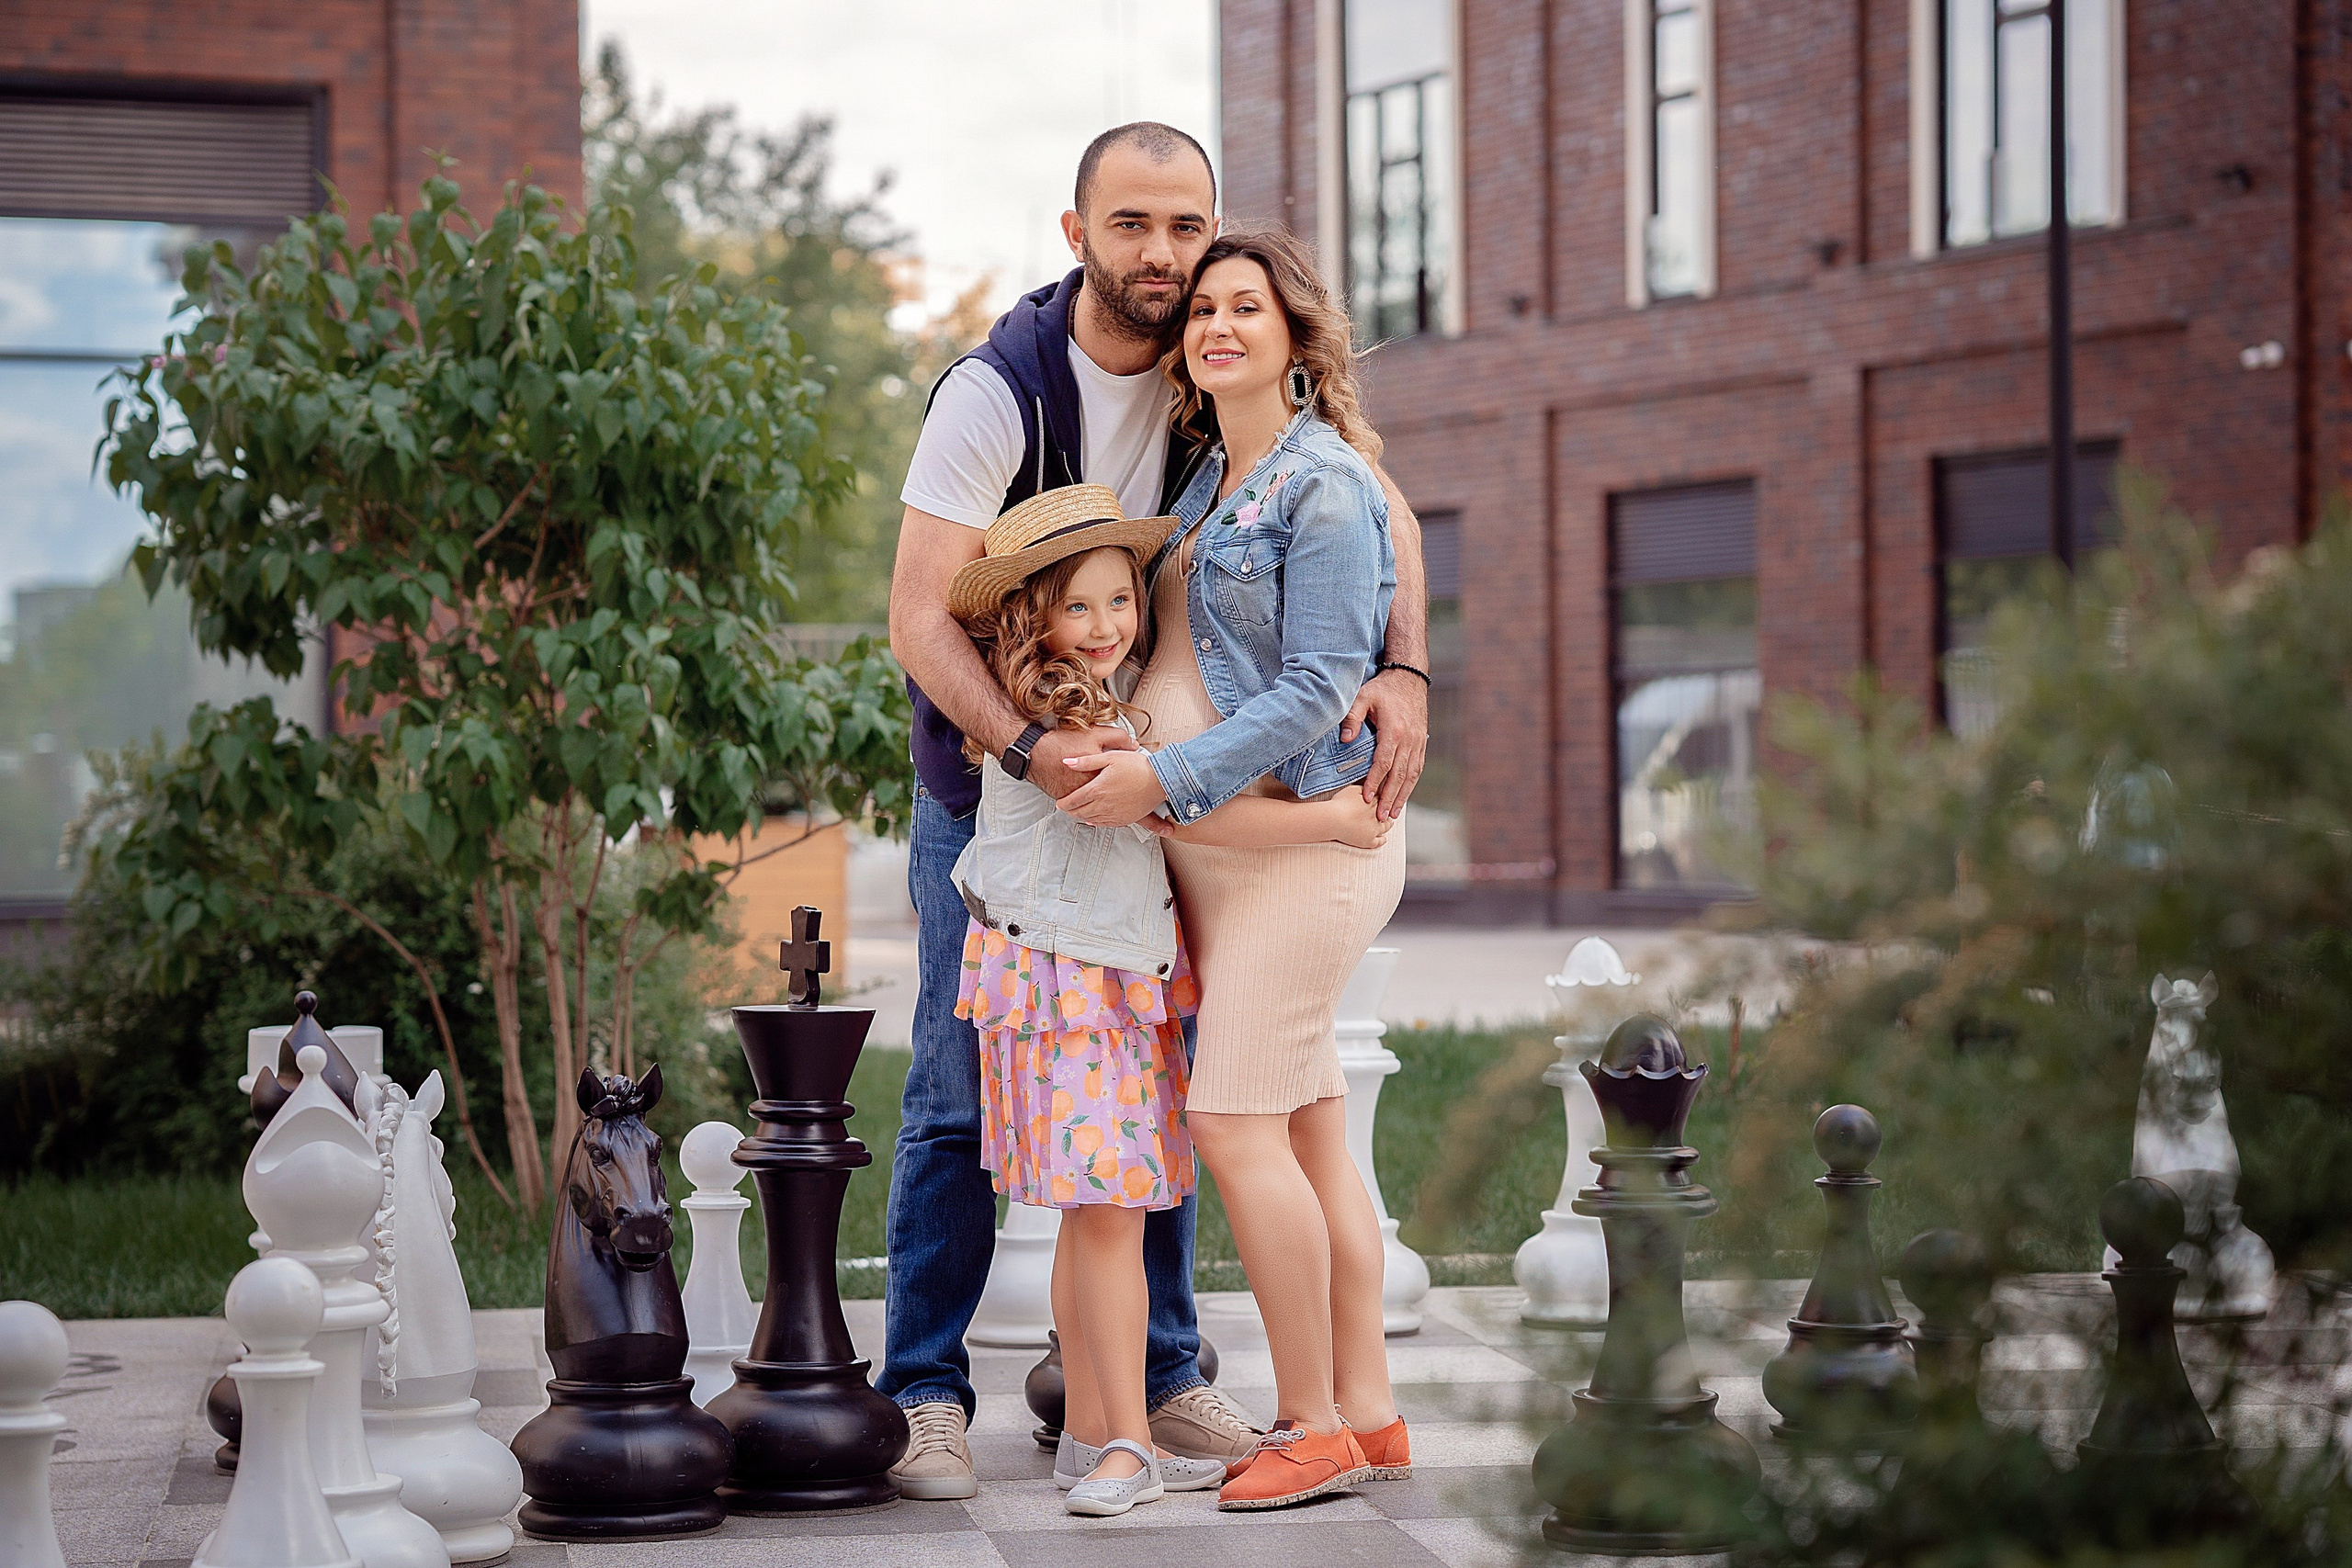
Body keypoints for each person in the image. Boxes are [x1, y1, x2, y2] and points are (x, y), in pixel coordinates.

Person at [882, 120, 1431, 1500]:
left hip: (1182, 813)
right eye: (1132, 225)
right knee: (958, 1099)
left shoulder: (1219, 385)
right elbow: (914, 615)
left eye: (1187, 228)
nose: (1165, 257)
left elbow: (1381, 515)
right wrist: (1029, 752)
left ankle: (1169, 1380)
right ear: (1079, 234)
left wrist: (1407, 666)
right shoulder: (1001, 388)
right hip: (1007, 797)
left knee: (1162, 1087)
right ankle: (928, 1391)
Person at [942, 483, 1394, 1517]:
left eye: (1120, 602)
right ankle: (1128, 1449)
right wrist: (1332, 824)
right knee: (1103, 1218)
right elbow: (1180, 820)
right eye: (1079, 608)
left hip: (1066, 978)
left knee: (1082, 1216)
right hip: (1080, 986)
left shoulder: (1068, 700)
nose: (1106, 628)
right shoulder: (1071, 725)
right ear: (1031, 619)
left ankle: (1094, 1434)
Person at [1055, 228, 1414, 1511]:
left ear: (1294, 338)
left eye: (1244, 307)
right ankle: (1368, 1409)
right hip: (1228, 854)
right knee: (1313, 1127)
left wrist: (1167, 775)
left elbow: (1323, 682)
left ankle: (1308, 1420)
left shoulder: (1324, 483)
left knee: (1229, 1119)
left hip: (1306, 845)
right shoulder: (1212, 475)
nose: (1215, 325)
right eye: (1203, 309)